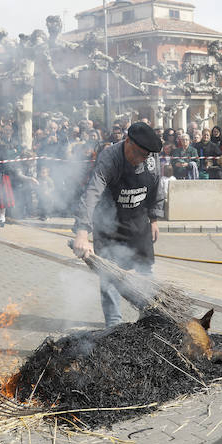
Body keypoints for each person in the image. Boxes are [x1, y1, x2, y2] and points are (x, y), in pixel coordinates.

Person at [72, 122, 165, 327]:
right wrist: (82, 232)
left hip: (138, 221)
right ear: (128, 142)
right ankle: (114, 324)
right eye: (139, 154)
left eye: (146, 156)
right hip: (109, 224)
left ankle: (150, 316)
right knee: (108, 275)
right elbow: (91, 193)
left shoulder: (151, 158)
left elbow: (158, 186)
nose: (141, 159)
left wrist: (154, 219)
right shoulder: (110, 157)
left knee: (146, 271)